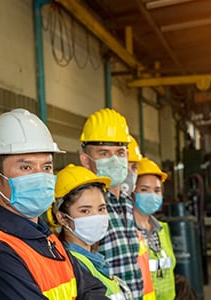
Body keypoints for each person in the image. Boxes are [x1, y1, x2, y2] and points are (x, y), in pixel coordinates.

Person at [0, 108, 108, 299]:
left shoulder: (49, 239)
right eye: (26, 167)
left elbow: (94, 291)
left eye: (46, 167)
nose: (40, 176)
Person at [79, 108, 155, 300]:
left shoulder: (127, 202)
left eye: (120, 152)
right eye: (104, 153)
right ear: (85, 160)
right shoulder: (82, 206)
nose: (114, 160)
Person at [53, 164, 134, 300]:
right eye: (85, 211)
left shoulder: (93, 260)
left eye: (101, 209)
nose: (96, 216)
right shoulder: (72, 265)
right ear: (62, 218)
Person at [133, 158, 177, 300]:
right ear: (132, 192)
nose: (152, 195)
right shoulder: (128, 232)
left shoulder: (162, 229)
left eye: (157, 190)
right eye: (144, 190)